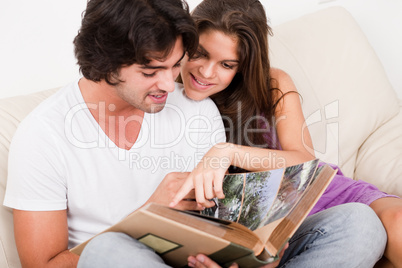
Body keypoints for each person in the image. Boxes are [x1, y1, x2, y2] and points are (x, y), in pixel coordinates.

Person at [171, 0, 401, 267]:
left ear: (243, 65)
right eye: (200, 53)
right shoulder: (163, 98)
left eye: (226, 64)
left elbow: (304, 160)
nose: (206, 72)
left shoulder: (272, 84)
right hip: (271, 225)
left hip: (325, 195)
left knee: (395, 223)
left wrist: (227, 152)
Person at [3, 0, 227, 267]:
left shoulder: (197, 111)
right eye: (150, 72)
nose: (169, 84)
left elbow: (223, 226)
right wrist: (147, 218)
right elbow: (44, 265)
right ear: (107, 63)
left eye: (175, 65)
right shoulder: (43, 136)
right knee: (108, 248)